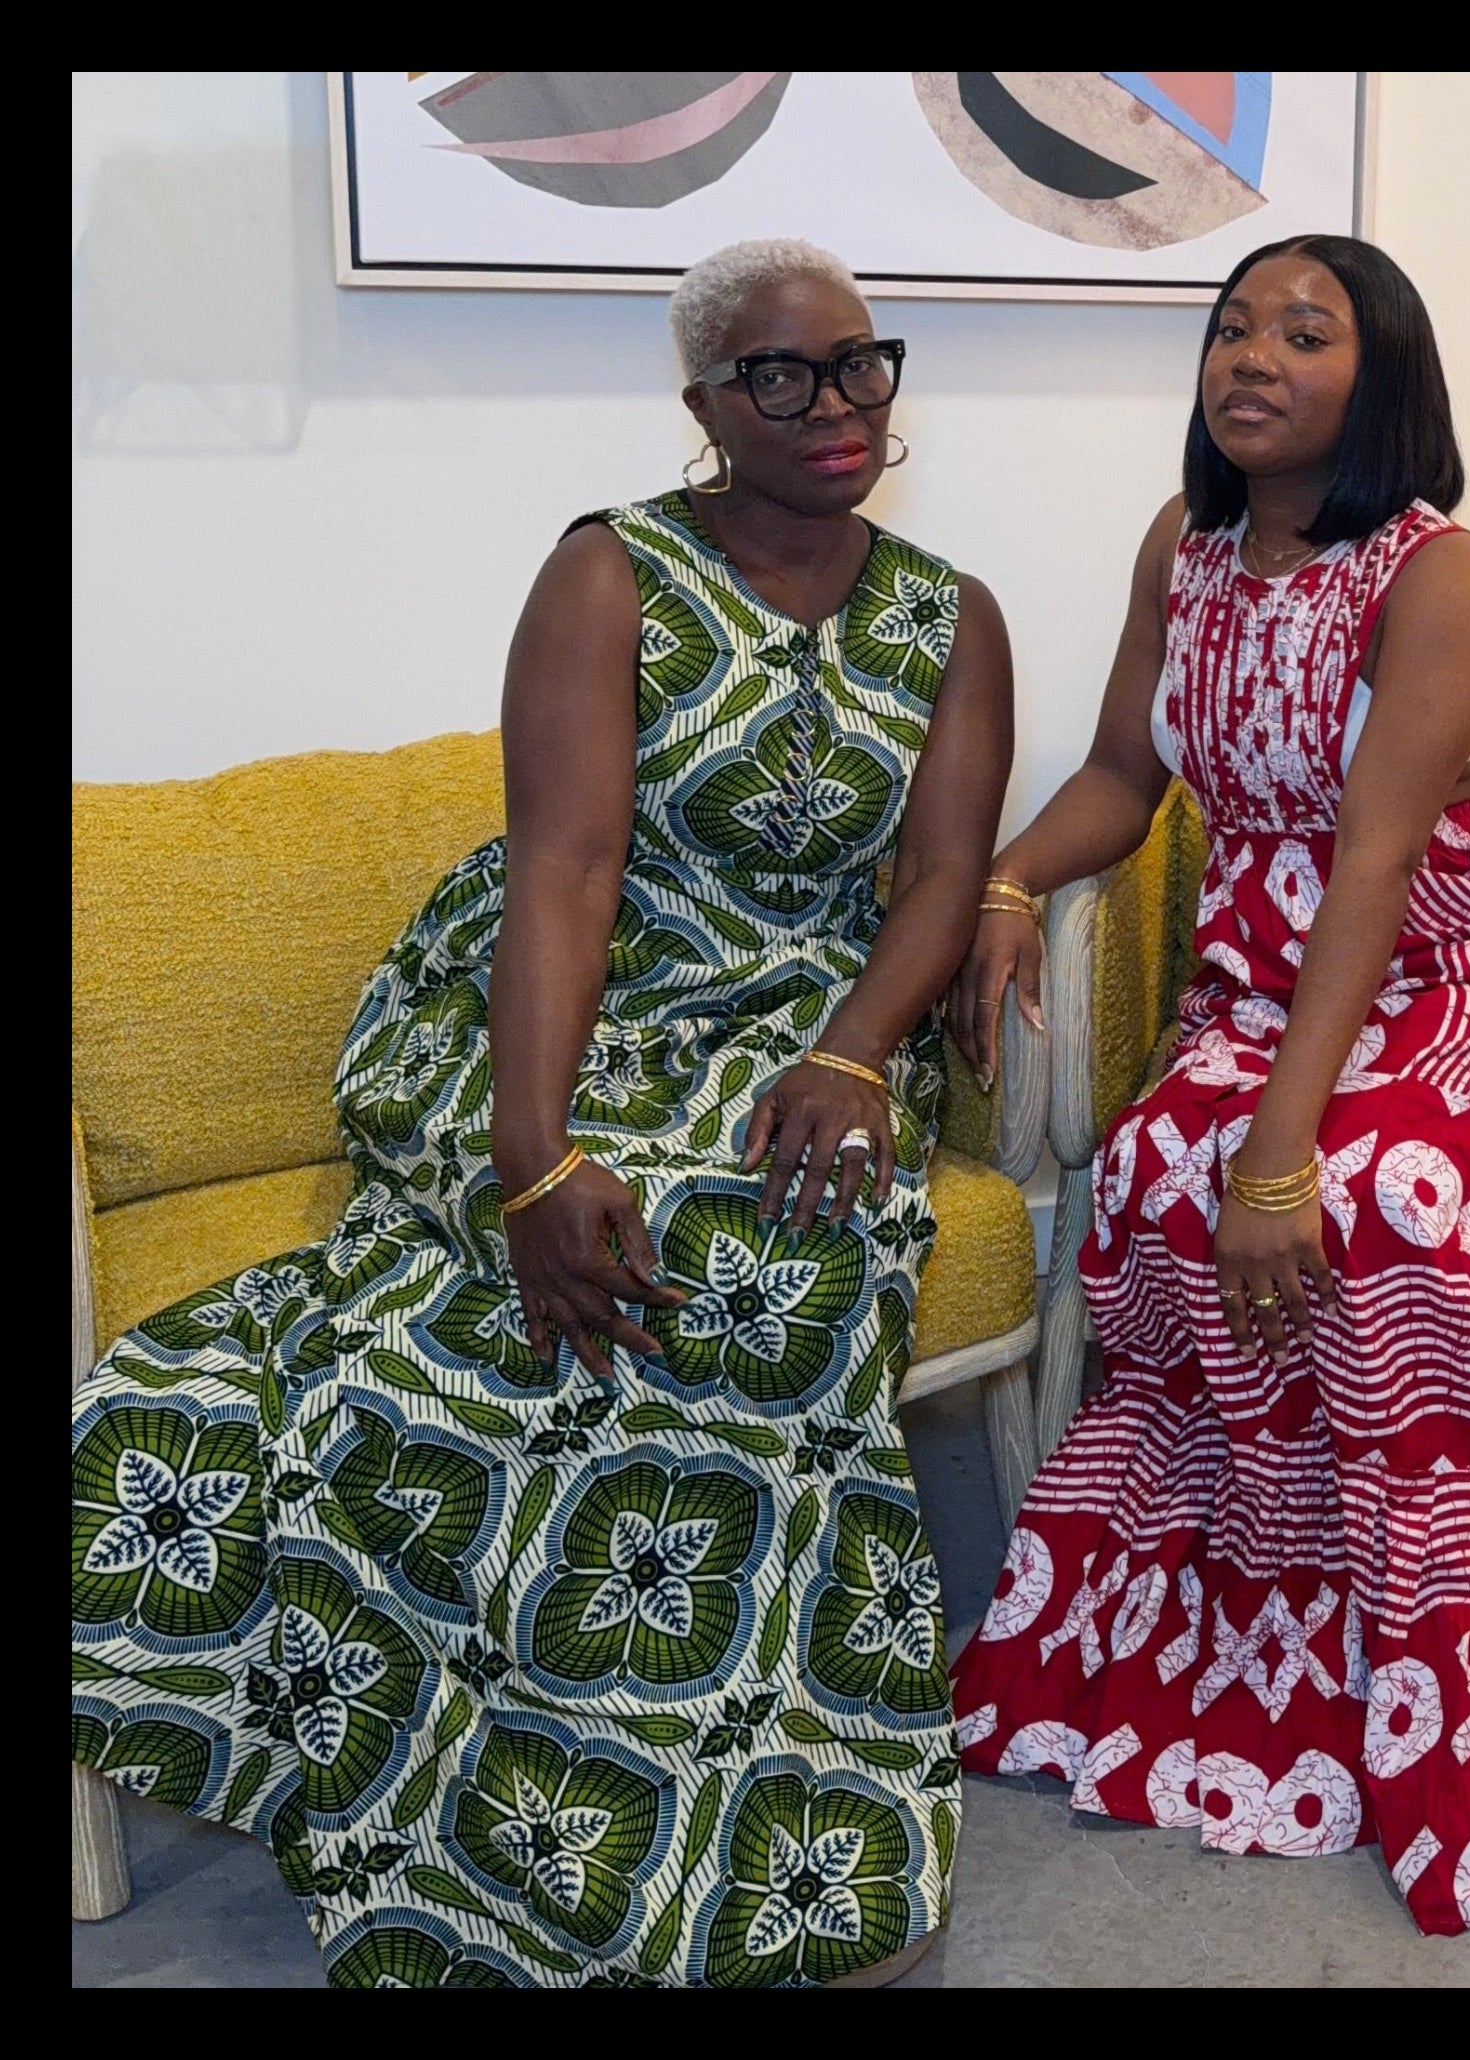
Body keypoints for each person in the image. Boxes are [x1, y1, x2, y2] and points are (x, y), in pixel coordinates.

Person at [70, 238, 1012, 1987]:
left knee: (775, 1255)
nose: (834, 406)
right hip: (569, 1010)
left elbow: (948, 871)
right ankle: (521, 1825)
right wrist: (536, 1153)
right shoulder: (612, 576)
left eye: (860, 365)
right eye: (779, 376)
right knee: (595, 1248)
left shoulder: (952, 611)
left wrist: (860, 1054)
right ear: (703, 406)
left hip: (812, 1031)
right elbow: (567, 871)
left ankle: (751, 1812)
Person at [948, 235, 1470, 1938]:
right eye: (1232, 328)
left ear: (1387, 379)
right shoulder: (1187, 546)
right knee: (1153, 1173)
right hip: (1275, 968)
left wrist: (1283, 1148)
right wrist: (1005, 883)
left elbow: (1375, 855)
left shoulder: (1444, 573)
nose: (1253, 357)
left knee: (1365, 1196)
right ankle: (1257, 1628)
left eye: (1306, 331)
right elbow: (1127, 773)